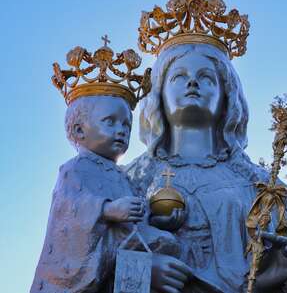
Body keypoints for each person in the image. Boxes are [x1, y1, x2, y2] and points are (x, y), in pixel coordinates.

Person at [125, 42, 287, 293]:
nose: (192, 83)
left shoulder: (261, 186)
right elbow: (103, 259)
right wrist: (146, 270)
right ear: (159, 94)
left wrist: (273, 277)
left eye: (206, 78)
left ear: (227, 97)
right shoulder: (131, 179)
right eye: (179, 77)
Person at [30, 44, 182, 293]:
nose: (121, 130)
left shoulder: (124, 178)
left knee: (168, 242)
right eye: (109, 122)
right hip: (86, 272)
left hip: (120, 260)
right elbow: (70, 208)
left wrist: (157, 220)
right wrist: (107, 209)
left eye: (126, 125)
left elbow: (131, 225)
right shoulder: (75, 169)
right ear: (79, 130)